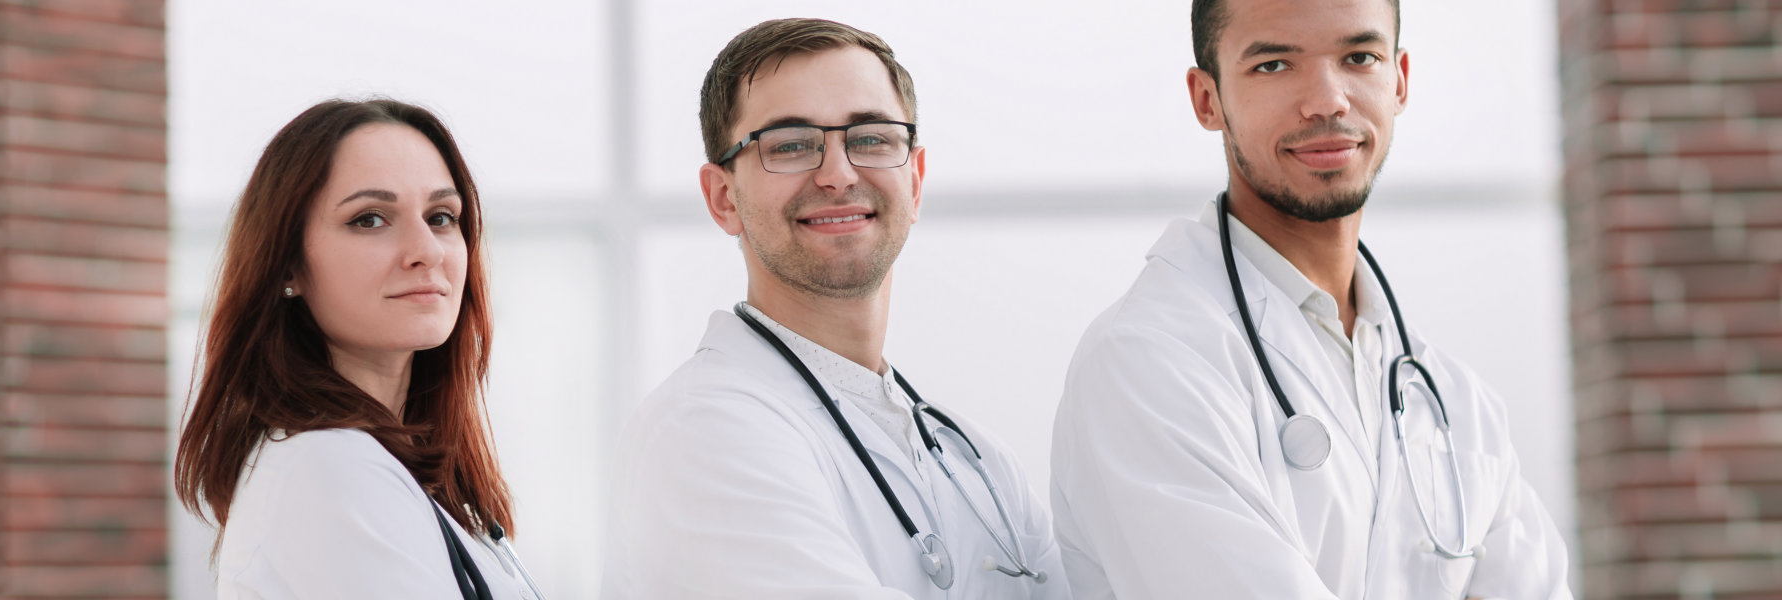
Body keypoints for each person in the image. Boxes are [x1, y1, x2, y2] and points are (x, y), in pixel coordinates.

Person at [1049, 0, 1573, 598]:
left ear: (1399, 79)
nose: (1328, 100)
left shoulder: (1456, 402)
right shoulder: (1145, 363)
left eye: (1359, 57)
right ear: (1207, 100)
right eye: (1274, 65)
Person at [603, 18, 1069, 599]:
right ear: (723, 198)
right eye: (791, 145)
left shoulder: (976, 461)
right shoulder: (703, 431)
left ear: (915, 181)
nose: (837, 174)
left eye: (871, 137)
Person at [174, 99, 543, 599]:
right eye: (370, 219)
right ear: (286, 265)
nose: (427, 251)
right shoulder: (328, 467)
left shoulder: (398, 470)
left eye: (440, 216)